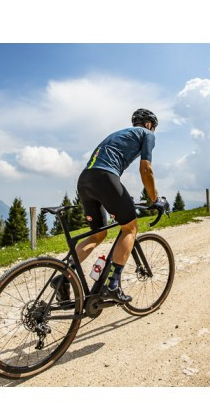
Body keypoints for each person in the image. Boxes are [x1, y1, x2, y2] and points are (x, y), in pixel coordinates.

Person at [52, 108, 168, 303]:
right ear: (149, 125)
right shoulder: (147, 134)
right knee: (130, 228)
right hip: (105, 178)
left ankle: (63, 277)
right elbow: (146, 168)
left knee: (98, 235)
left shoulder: (121, 134)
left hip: (85, 180)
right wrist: (155, 199)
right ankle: (112, 285)